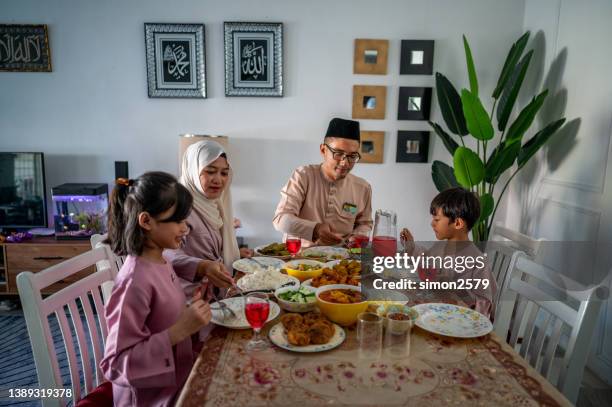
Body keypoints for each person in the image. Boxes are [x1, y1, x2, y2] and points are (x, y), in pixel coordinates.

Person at [101, 172, 212, 406]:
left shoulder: (161, 260)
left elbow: (161, 316)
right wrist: (179, 330)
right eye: (179, 221)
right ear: (146, 221)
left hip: (178, 378)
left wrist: (192, 311)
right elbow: (115, 364)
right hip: (152, 398)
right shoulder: (134, 282)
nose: (186, 228)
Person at [167, 140, 252, 302]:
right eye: (210, 171)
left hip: (218, 295)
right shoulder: (179, 206)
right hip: (190, 301)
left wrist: (233, 253)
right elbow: (168, 253)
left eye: (224, 173)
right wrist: (202, 267)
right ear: (193, 170)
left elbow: (204, 247)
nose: (218, 180)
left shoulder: (214, 205)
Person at [273, 118, 373, 247]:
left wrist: (357, 237)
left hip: (342, 261)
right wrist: (315, 229)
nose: (345, 163)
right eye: (338, 153)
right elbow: (281, 220)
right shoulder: (303, 176)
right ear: (323, 150)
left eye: (352, 156)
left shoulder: (362, 187)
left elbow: (364, 224)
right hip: (300, 259)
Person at [400, 187, 497, 319]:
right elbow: (425, 261)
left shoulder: (477, 261)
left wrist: (457, 291)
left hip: (460, 324)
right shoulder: (440, 247)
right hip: (436, 315)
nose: (432, 223)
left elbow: (485, 305)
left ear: (457, 223)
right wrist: (411, 247)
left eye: (437, 219)